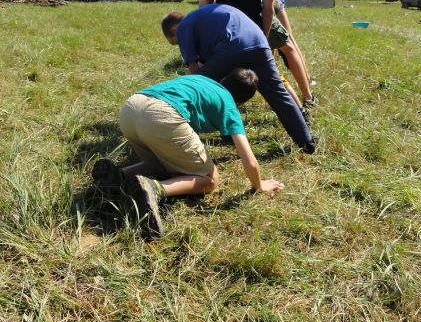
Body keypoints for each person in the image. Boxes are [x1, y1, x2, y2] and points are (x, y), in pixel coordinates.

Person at [92, 70, 283, 238]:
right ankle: (155, 189)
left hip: (131, 109)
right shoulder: (229, 103)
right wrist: (259, 185)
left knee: (161, 164)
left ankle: (118, 175)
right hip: (161, 116)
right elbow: (248, 159)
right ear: (241, 101)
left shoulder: (201, 79)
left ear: (224, 79)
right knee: (209, 179)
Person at [162, 5, 316, 150]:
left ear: (174, 30)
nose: (180, 45)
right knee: (277, 92)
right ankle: (306, 141)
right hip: (259, 43)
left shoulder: (183, 27)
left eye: (176, 43)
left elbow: (193, 70)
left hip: (229, 47)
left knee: (201, 89)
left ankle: (178, 131)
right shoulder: (202, 17)